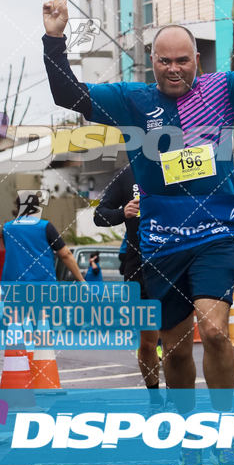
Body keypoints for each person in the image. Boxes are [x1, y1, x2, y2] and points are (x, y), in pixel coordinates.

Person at [42, 0, 234, 465]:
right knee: (177, 348)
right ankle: (189, 437)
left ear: (196, 62)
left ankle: (224, 436)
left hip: (213, 233)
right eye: (165, 60)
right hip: (160, 244)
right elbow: (65, 92)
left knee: (212, 332)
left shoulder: (223, 89)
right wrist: (55, 37)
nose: (174, 68)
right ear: (152, 64)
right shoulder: (130, 99)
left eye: (183, 60)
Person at [94, 164, 162, 413]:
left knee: (178, 344)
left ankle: (178, 402)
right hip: (139, 266)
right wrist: (123, 212)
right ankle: (155, 401)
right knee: (147, 344)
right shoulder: (128, 173)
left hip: (176, 260)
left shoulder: (180, 162)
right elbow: (99, 215)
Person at [1, 192, 84, 283]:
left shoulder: (7, 228)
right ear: (36, 208)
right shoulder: (45, 227)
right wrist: (81, 280)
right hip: (42, 285)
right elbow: (66, 255)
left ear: (18, 207)